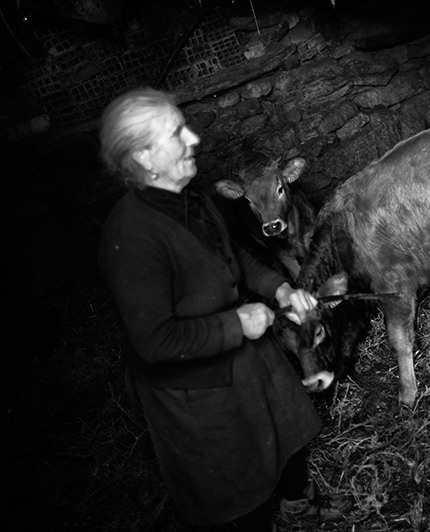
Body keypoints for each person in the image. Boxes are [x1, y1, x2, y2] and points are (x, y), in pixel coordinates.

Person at [97, 88, 351, 530]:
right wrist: (236, 323)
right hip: (198, 384)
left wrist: (281, 291)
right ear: (143, 157)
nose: (193, 138)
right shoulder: (132, 238)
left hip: (245, 352)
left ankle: (299, 507)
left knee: (289, 433)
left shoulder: (191, 200)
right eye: (178, 133)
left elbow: (233, 255)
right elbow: (155, 341)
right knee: (236, 482)